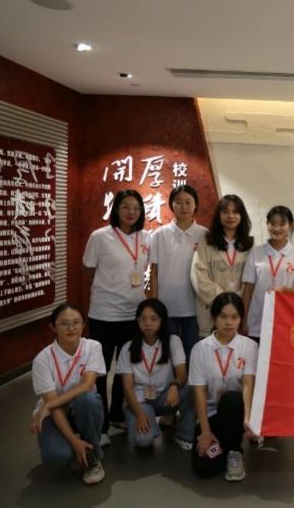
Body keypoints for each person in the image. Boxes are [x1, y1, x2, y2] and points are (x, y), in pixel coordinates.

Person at [83, 188, 150, 444]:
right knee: (100, 371)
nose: (131, 212)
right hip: (104, 314)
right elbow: (89, 270)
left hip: (134, 315)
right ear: (116, 209)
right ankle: (100, 425)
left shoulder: (147, 238)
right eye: (125, 207)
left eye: (136, 208)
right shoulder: (100, 237)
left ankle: (117, 414)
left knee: (125, 370)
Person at [31, 303, 106, 484]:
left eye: (76, 322)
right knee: (56, 456)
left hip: (81, 408)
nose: (71, 328)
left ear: (83, 325)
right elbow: (54, 408)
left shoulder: (93, 347)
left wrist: (48, 404)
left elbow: (87, 385)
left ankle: (93, 458)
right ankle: (78, 450)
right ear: (53, 327)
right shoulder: (42, 359)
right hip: (55, 413)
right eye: (64, 324)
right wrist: (74, 441)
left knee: (87, 400)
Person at [189, 292, 258, 481]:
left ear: (241, 319)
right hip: (210, 415)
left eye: (235, 317)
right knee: (204, 468)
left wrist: (248, 419)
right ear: (214, 317)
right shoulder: (200, 349)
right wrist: (205, 431)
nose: (229, 323)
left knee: (231, 399)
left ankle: (234, 451)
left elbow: (248, 384)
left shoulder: (249, 346)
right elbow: (199, 393)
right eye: (223, 317)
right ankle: (225, 448)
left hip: (236, 414)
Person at [116, 299, 195, 450]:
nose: (148, 323)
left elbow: (182, 374)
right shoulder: (128, 347)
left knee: (191, 388)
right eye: (143, 319)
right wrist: (140, 415)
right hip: (139, 402)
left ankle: (185, 435)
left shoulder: (173, 341)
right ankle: (148, 421)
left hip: (165, 398)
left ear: (162, 320)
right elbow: (127, 388)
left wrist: (174, 386)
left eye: (153, 318)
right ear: (137, 321)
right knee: (143, 441)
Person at [149, 185, 208, 359]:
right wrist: (154, 305)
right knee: (168, 355)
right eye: (179, 202)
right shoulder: (160, 234)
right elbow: (154, 272)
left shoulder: (204, 234)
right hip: (167, 307)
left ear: (195, 205)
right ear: (171, 205)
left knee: (193, 354)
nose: (184, 207)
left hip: (196, 307)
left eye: (188, 202)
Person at [191, 195, 254, 338]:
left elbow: (251, 282)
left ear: (242, 216)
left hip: (239, 312)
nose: (230, 216)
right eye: (225, 211)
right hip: (210, 311)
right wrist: (223, 301)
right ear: (218, 215)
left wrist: (236, 302)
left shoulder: (250, 245)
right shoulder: (206, 242)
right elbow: (198, 276)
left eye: (235, 212)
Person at [242, 206, 294, 341]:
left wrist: (285, 290)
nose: (277, 228)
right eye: (272, 223)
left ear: (291, 225)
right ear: (267, 225)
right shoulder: (256, 252)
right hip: (257, 321)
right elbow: (248, 290)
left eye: (282, 224)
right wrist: (243, 319)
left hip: (286, 321)